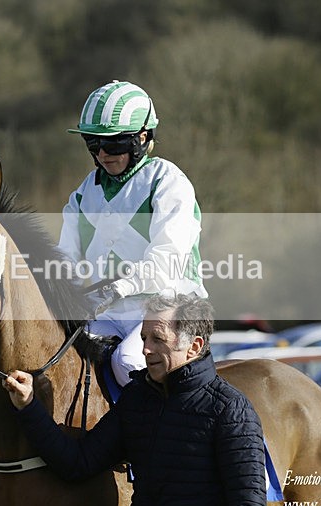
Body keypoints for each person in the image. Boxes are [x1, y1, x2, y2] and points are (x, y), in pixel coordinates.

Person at [3, 294, 267, 506]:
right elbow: (77, 462)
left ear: (194, 346)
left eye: (157, 339)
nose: (145, 349)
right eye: (143, 338)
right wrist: (29, 406)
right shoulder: (136, 399)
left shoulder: (231, 409)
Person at [58, 80, 208, 389]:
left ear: (142, 138)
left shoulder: (167, 181)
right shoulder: (84, 193)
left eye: (114, 144)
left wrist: (118, 288)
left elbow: (166, 262)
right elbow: (64, 260)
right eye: (93, 143)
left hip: (170, 308)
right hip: (109, 313)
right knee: (60, 353)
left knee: (129, 360)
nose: (102, 154)